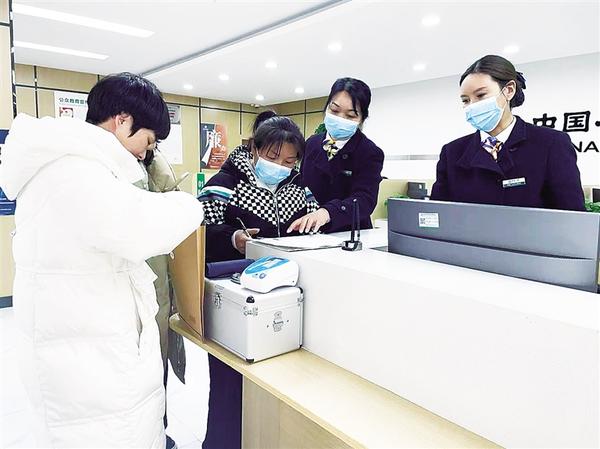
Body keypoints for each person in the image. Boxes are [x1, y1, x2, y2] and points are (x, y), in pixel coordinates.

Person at [0, 72, 204, 448]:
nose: (145, 153)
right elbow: (140, 227)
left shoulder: (69, 165)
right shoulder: (74, 171)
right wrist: (190, 204)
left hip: (78, 342)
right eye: (147, 141)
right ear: (123, 120)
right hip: (85, 359)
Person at [197, 114, 318, 449]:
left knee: (274, 390)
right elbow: (198, 233)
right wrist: (233, 237)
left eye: (289, 161)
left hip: (280, 303)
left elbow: (315, 230)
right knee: (229, 386)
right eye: (273, 156)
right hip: (234, 303)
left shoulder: (300, 190)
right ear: (254, 149)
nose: (280, 166)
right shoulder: (225, 183)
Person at [430, 54, 585, 211]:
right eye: (465, 100)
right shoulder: (452, 152)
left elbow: (572, 214)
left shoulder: (551, 143)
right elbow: (437, 215)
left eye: (481, 95)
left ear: (509, 90)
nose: (472, 106)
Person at [288, 77, 384, 234]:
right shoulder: (312, 143)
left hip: (349, 232)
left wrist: (328, 212)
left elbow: (365, 200)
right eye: (334, 110)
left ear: (362, 118)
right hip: (309, 231)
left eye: (350, 115)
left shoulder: (370, 152)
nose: (340, 119)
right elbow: (301, 185)